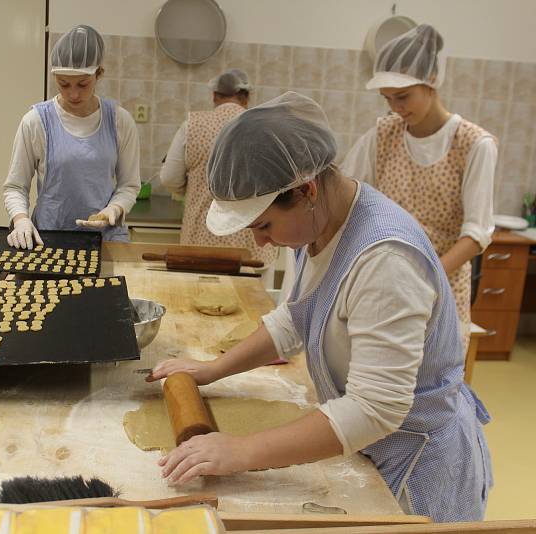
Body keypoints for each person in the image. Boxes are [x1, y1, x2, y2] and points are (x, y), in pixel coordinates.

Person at [149, 92, 492, 522]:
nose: (259, 242)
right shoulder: (319, 225)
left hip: (414, 469)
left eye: (264, 225)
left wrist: (241, 451)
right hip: (369, 445)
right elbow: (297, 316)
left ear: (307, 190)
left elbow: (374, 409)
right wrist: (213, 369)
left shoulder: (385, 261)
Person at [342, 24, 497, 351]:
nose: (396, 108)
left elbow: (476, 235)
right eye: (387, 99)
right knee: (377, 385)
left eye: (403, 96)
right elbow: (347, 194)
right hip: (383, 284)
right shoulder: (384, 134)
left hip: (440, 289)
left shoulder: (473, 144)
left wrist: (426, 278)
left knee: (430, 388)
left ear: (432, 81)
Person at [3, 25, 140, 248]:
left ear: (99, 74)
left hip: (105, 241)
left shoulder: (119, 121)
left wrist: (114, 209)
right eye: (64, 84)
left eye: (83, 84)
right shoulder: (36, 121)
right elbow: (15, 187)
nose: (73, 94)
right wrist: (21, 219)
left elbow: (129, 185)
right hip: (50, 238)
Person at [159, 69, 277, 268]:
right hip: (251, 242)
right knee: (249, 298)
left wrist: (192, 191)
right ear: (246, 97)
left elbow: (169, 177)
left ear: (214, 95)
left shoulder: (193, 125)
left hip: (201, 239)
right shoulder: (264, 127)